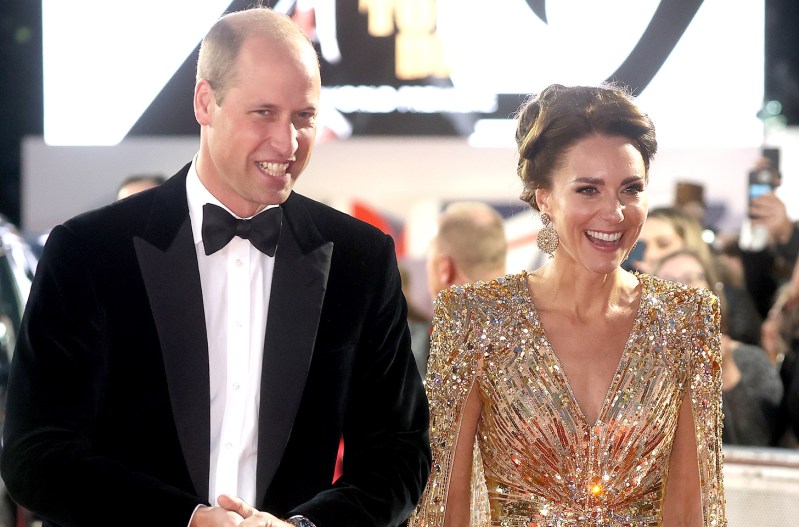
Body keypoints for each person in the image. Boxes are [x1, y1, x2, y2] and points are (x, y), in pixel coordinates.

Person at [1, 6, 430, 527]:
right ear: (205, 102)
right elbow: (35, 454)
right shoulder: (90, 251)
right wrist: (186, 519)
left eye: (304, 116)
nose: (288, 143)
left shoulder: (360, 259)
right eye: (264, 113)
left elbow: (399, 455)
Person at [408, 83, 726, 526]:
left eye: (630, 189)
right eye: (588, 190)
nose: (614, 213)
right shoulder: (474, 317)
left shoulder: (685, 318)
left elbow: (692, 506)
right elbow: (446, 504)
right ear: (545, 197)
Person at [654, 249, 782, 446]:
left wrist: (727, 373)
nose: (681, 288)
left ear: (712, 292)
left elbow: (757, 445)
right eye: (667, 281)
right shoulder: (637, 364)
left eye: (692, 278)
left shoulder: (749, 361)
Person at [637, 206, 763, 346]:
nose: (651, 255)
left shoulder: (731, 304)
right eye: (641, 247)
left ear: (691, 244)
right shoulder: (630, 304)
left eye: (664, 244)